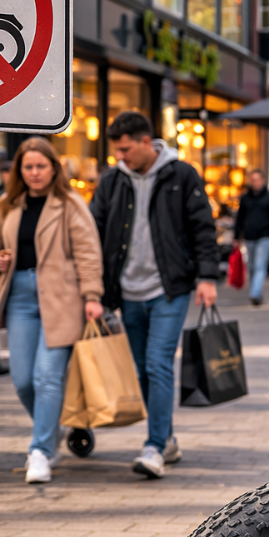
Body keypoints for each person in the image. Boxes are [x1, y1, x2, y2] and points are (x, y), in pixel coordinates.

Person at [90, 111, 220, 479]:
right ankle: (167, 438)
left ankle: (154, 447)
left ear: (147, 142)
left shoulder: (181, 174)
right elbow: (93, 230)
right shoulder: (112, 180)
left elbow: (203, 228)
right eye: (117, 151)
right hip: (126, 291)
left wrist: (207, 277)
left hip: (169, 288)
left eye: (126, 149)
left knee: (158, 363)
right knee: (143, 371)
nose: (121, 157)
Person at [0, 138, 104, 485]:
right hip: (19, 297)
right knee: (22, 381)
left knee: (47, 377)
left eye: (41, 166)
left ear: (54, 169)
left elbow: (88, 253)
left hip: (62, 298)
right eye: (28, 167)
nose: (34, 173)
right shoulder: (7, 205)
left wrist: (92, 295)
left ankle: (40, 450)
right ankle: (52, 429)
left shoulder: (70, 204)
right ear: (19, 171)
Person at [233, 170, 269, 306]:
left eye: (257, 179)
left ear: (262, 180)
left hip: (265, 236)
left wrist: (267, 224)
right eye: (253, 180)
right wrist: (237, 236)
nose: (255, 183)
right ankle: (255, 291)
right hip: (249, 236)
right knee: (251, 266)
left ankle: (255, 293)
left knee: (260, 265)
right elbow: (240, 218)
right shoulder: (245, 198)